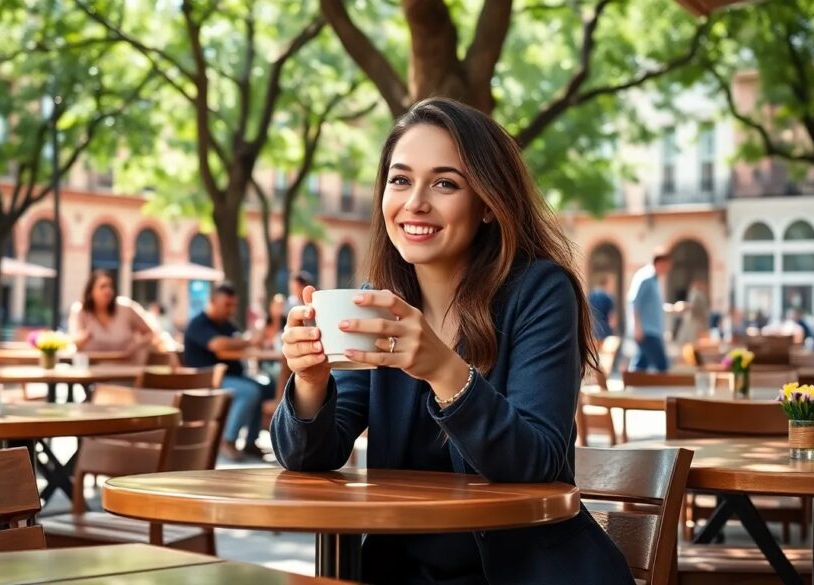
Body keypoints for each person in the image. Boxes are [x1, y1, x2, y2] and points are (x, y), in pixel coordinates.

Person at [272, 98, 632, 584]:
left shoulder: (539, 292)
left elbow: (539, 462)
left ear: (487, 203)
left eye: (445, 183)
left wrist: (444, 370)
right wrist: (310, 381)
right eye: (400, 180)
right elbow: (309, 457)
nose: (415, 202)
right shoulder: (375, 304)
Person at [183, 282, 274, 461]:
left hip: (231, 376)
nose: (231, 310)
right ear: (212, 301)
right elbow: (218, 344)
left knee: (266, 387)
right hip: (207, 379)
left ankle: (250, 442)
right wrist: (248, 342)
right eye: (227, 305)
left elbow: (234, 342)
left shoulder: (227, 325)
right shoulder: (198, 324)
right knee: (250, 391)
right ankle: (227, 440)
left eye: (233, 305)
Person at [68, 271, 155, 365]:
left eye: (110, 286)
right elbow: (75, 342)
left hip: (127, 370)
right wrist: (84, 337)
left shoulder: (126, 308)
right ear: (91, 291)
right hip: (93, 371)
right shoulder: (80, 311)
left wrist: (137, 344)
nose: (108, 291)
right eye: (103, 286)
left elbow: (150, 333)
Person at [628, 250, 671, 372]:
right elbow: (635, 302)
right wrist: (637, 327)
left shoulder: (656, 281)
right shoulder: (645, 278)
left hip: (653, 330)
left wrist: (673, 309)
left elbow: (654, 306)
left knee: (641, 364)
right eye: (667, 265)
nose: (667, 269)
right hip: (647, 331)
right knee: (662, 365)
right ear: (659, 262)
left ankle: (632, 386)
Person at [677, 280, 710, 344]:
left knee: (697, 337)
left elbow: (696, 306)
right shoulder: (695, 294)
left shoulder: (699, 294)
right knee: (692, 337)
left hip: (698, 319)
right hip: (695, 318)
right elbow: (692, 305)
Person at [587, 274, 616, 341]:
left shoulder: (591, 294)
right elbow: (612, 319)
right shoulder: (608, 297)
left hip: (592, 327)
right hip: (604, 329)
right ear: (607, 283)